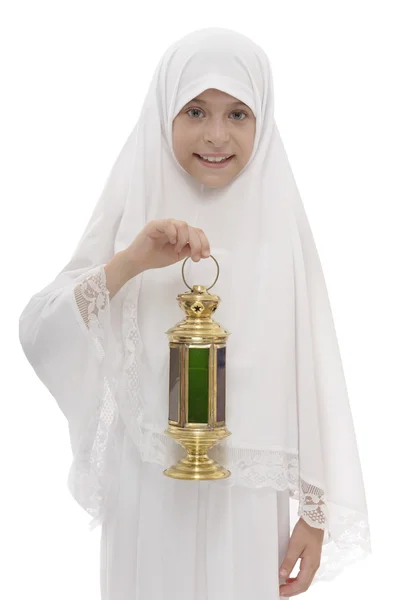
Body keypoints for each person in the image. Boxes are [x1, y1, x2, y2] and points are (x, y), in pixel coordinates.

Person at [18, 27, 371, 600]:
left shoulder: (279, 229)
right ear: (164, 114)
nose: (216, 135)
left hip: (247, 506)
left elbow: (315, 369)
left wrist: (315, 512)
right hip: (149, 499)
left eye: (238, 114)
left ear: (264, 120)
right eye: (195, 110)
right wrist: (129, 262)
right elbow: (40, 328)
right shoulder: (132, 209)